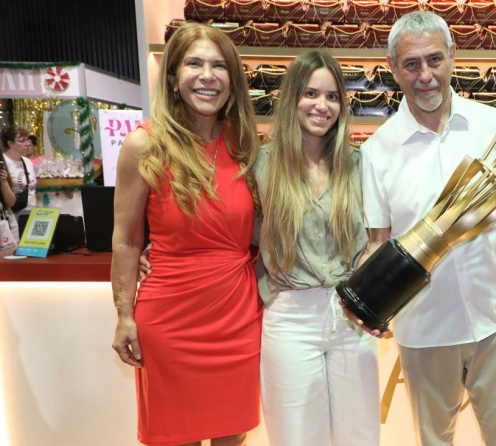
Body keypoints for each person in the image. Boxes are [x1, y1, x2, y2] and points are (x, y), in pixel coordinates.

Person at [351, 11, 496, 446]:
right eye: (411, 64)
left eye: (434, 60)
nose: (425, 75)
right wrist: (367, 301)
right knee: (434, 440)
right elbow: (378, 245)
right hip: (425, 325)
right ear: (392, 68)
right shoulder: (377, 152)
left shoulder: (492, 125)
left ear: (453, 58)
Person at [111, 22, 262, 446]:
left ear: (233, 81)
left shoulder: (246, 144)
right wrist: (123, 315)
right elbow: (125, 240)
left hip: (238, 317)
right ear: (174, 78)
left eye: (219, 65)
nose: (207, 75)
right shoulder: (144, 145)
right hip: (170, 322)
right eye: (194, 63)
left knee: (233, 436)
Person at [254, 50, 380, 446]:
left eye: (332, 96)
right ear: (291, 98)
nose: (321, 106)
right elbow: (237, 232)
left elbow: (380, 239)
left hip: (350, 316)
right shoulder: (261, 164)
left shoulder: (360, 164)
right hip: (290, 315)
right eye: (310, 93)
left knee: (359, 435)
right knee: (295, 436)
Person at [1, 126, 36, 221]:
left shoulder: (27, 162)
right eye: (21, 141)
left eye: (27, 140)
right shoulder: (4, 162)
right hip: (13, 213)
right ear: (10, 143)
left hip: (32, 210)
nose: (26, 144)